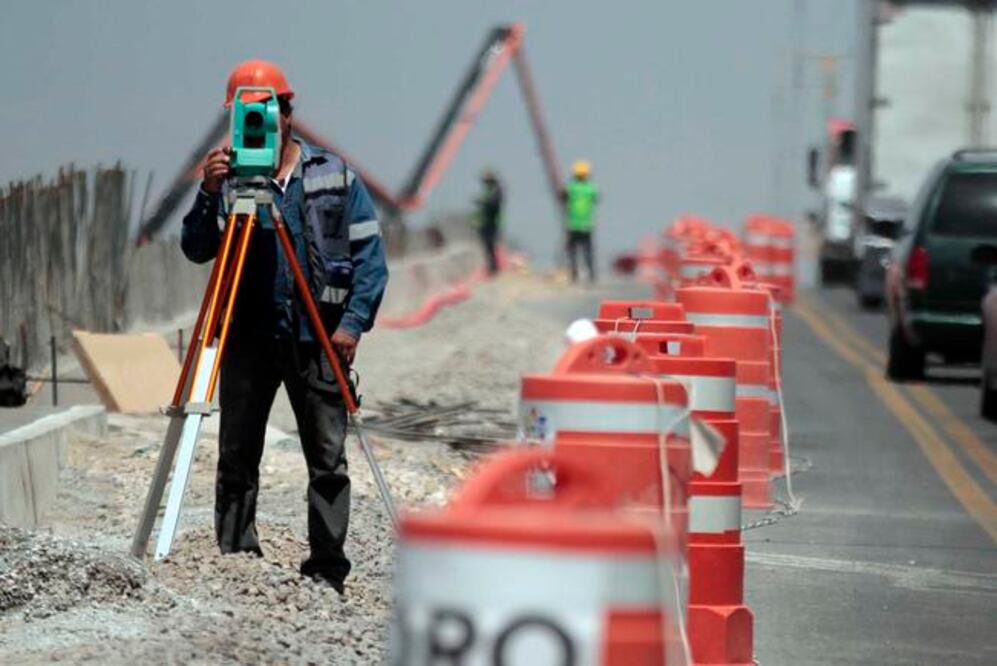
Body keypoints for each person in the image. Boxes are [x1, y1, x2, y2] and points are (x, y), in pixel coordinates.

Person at [180, 60, 388, 594]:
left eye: (263, 112)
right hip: (249, 336)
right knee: (236, 452)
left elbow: (370, 259)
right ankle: (236, 552)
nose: (254, 125)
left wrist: (353, 327)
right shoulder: (227, 184)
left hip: (319, 335)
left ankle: (326, 566)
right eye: (244, 116)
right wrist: (207, 194)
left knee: (327, 458)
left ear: (286, 114)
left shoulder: (334, 176)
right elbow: (196, 248)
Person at [562, 160, 599, 283]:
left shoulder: (571, 187)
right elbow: (597, 199)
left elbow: (563, 197)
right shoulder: (591, 188)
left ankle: (574, 274)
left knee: (573, 252)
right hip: (587, 225)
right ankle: (591, 274)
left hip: (573, 224)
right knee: (588, 251)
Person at [474, 169, 503, 276]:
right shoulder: (489, 190)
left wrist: (482, 202)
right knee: (486, 246)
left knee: (490, 246)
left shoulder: (497, 190)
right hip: (485, 222)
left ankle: (494, 269)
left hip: (492, 223)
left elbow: (493, 203)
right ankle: (491, 268)